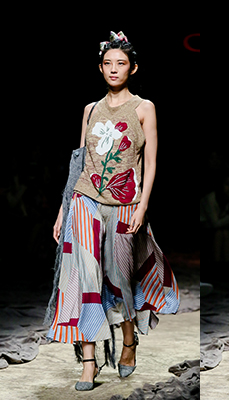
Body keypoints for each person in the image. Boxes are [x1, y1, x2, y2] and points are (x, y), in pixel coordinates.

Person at [45, 31, 179, 391]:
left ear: (133, 68)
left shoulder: (144, 108)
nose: (114, 69)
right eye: (108, 63)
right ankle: (89, 362)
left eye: (121, 63)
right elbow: (79, 163)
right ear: (100, 68)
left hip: (125, 202)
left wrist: (143, 205)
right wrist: (63, 209)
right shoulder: (90, 110)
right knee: (83, 277)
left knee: (120, 276)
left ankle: (129, 340)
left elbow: (151, 162)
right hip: (85, 199)